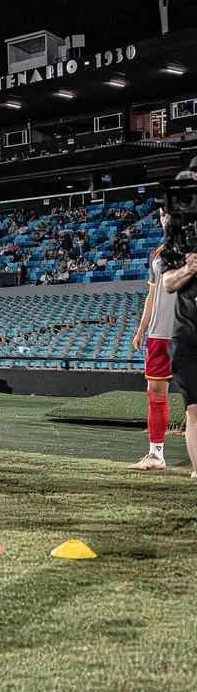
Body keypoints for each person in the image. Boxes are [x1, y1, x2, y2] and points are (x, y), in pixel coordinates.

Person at [128, 208, 177, 471]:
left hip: (188, 332)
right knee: (155, 393)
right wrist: (141, 330)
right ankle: (156, 455)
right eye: (162, 213)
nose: (165, 217)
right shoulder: (156, 254)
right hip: (158, 334)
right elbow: (151, 297)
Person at [160, 161, 197, 480]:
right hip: (187, 333)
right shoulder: (178, 236)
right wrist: (189, 269)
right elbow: (167, 282)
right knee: (195, 409)